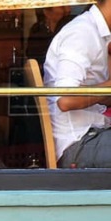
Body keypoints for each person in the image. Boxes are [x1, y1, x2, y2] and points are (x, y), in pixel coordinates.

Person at [43, 0, 111, 168]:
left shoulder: (98, 34)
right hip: (79, 143)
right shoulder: (82, 32)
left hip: (96, 135)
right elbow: (66, 99)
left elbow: (99, 95)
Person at [26, 6, 73, 71]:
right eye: (61, 7)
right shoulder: (37, 30)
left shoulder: (70, 27)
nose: (68, 9)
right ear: (46, 12)